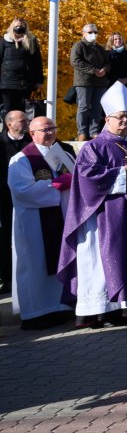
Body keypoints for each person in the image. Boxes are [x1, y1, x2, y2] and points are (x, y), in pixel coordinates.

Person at [59, 83, 127, 327]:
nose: (125, 121)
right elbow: (87, 178)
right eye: (120, 117)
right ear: (107, 119)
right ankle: (100, 311)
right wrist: (122, 173)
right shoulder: (93, 147)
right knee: (104, 261)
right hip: (106, 216)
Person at [7, 116, 75, 329]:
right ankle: (35, 314)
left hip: (62, 218)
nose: (50, 132)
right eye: (45, 129)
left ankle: (60, 308)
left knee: (59, 260)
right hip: (34, 223)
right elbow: (22, 191)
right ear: (32, 133)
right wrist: (56, 185)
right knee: (35, 265)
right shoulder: (22, 159)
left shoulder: (63, 154)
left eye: (53, 128)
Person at [1, 109, 32, 296]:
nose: (27, 123)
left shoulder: (32, 141)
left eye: (27, 120)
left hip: (29, 196)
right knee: (5, 238)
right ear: (9, 124)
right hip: (4, 198)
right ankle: (7, 278)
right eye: (22, 121)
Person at [70, 23, 110, 140]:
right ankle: (82, 132)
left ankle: (94, 132)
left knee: (97, 107)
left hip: (100, 82)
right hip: (84, 82)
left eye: (95, 32)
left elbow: (107, 63)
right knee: (83, 107)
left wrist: (104, 69)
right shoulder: (79, 46)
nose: (93, 34)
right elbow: (75, 61)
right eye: (90, 32)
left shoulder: (100, 48)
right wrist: (93, 70)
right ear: (83, 33)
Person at [0, 18, 44, 116]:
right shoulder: (4, 41)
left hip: (26, 82)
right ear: (12, 27)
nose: (19, 28)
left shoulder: (31, 41)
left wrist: (39, 80)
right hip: (7, 83)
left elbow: (37, 62)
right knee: (8, 112)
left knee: (24, 112)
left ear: (25, 27)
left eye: (21, 26)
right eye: (16, 26)